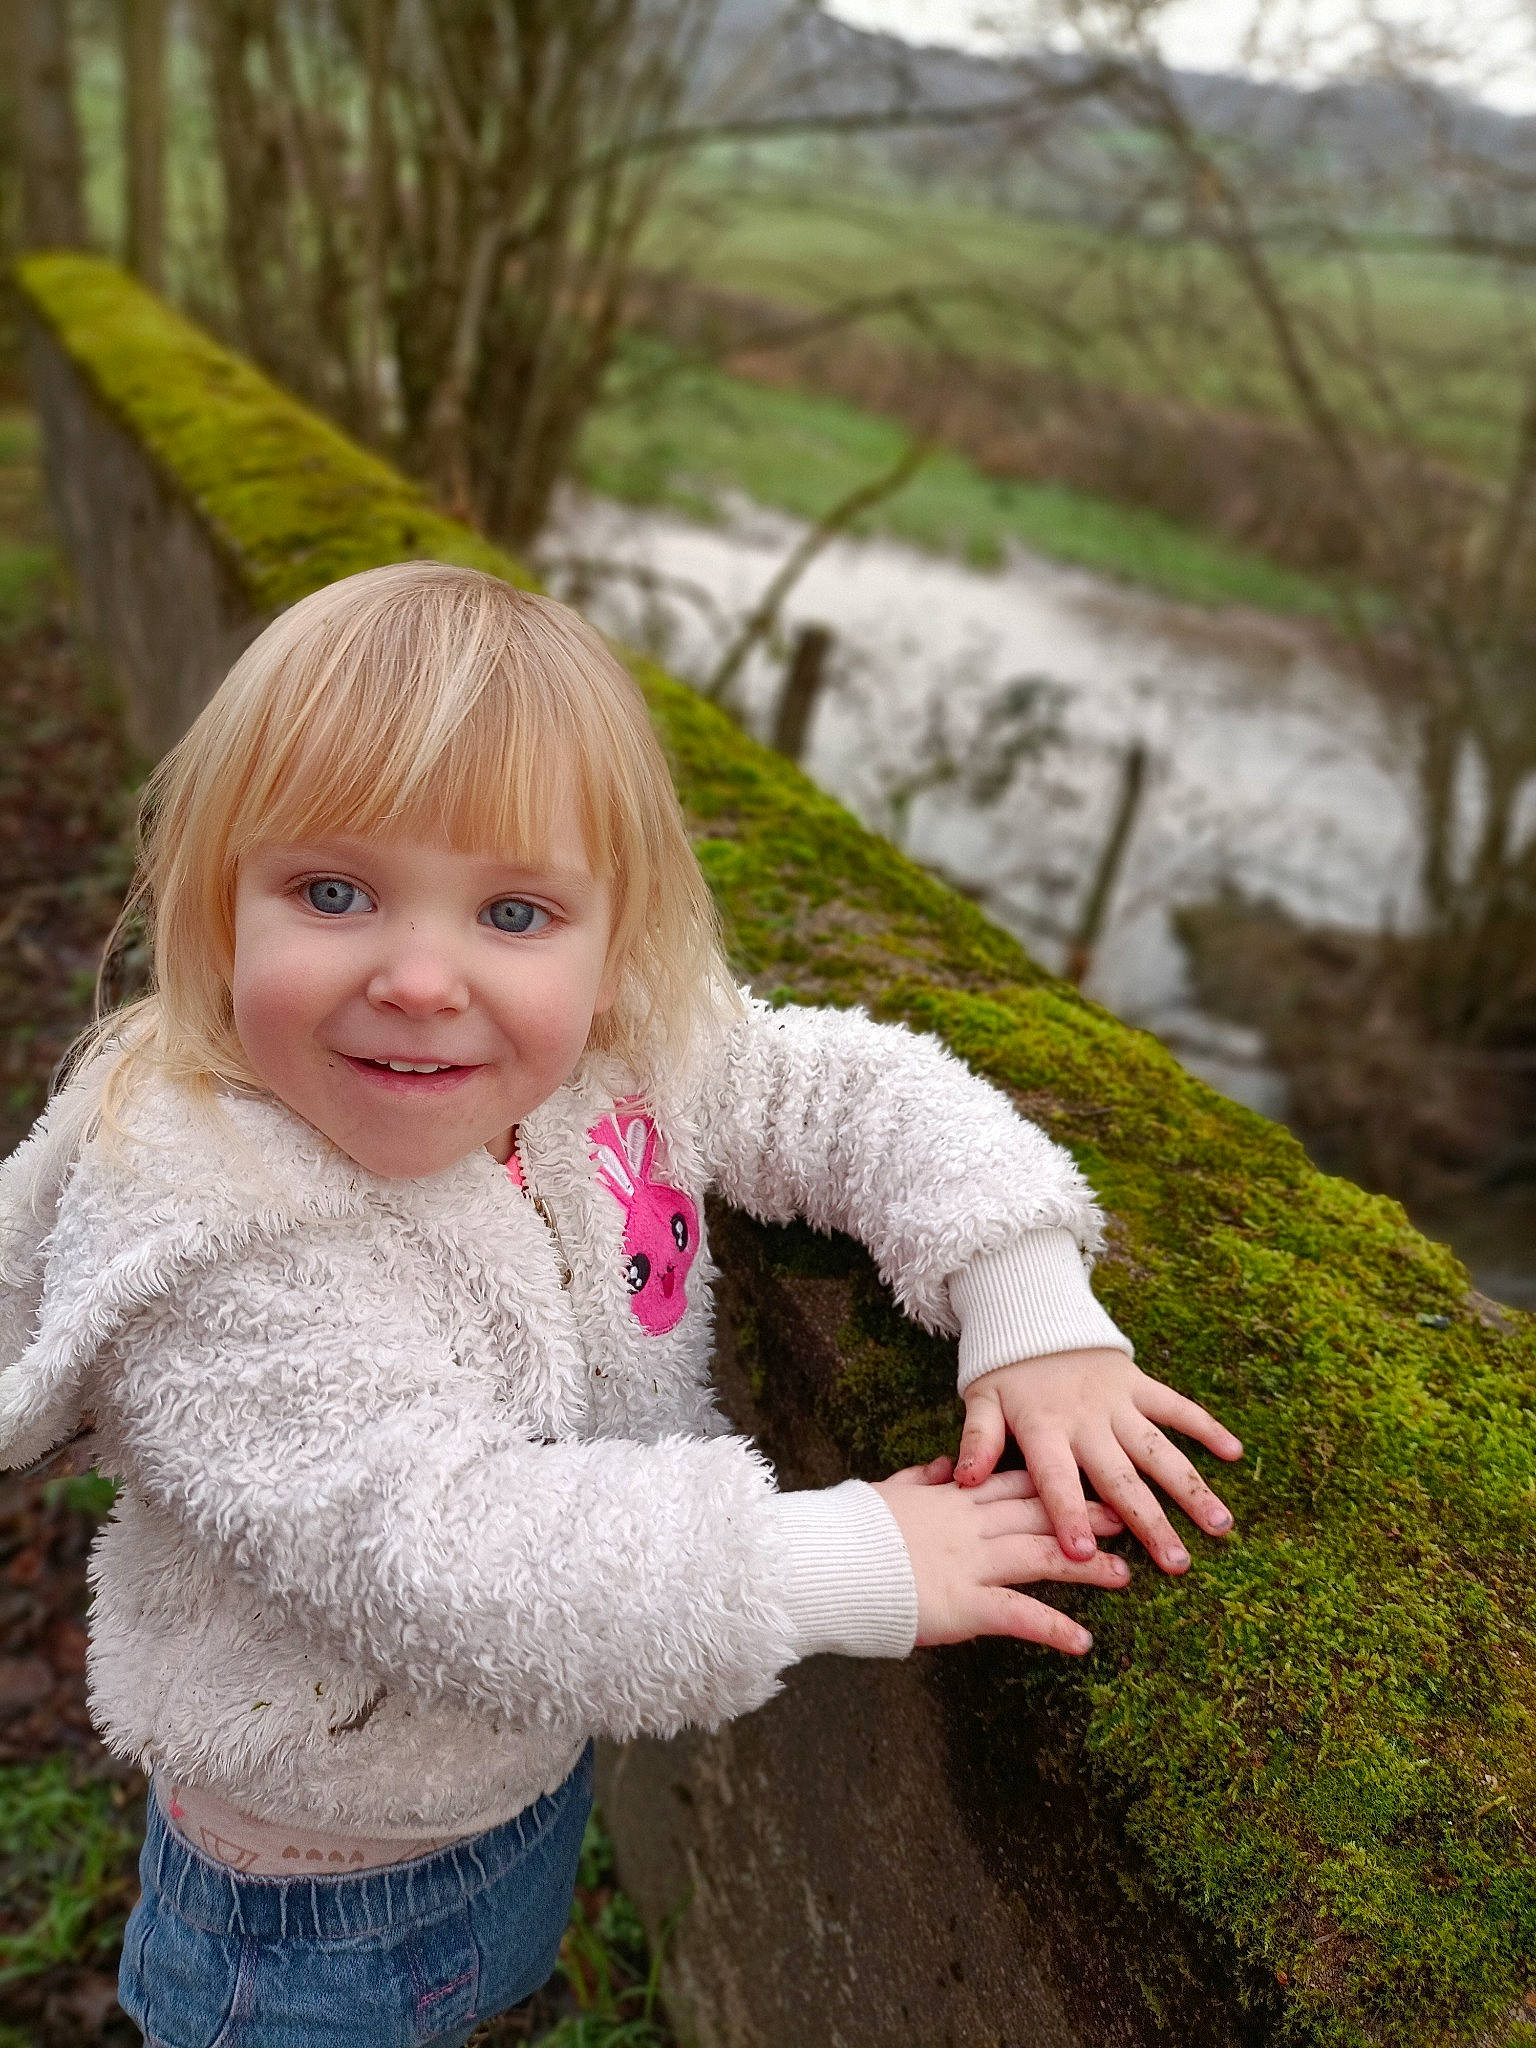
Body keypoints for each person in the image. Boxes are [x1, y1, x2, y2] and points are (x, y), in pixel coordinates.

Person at [0, 562, 1241, 2048]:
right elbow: (439, 1553)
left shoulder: (608, 1061)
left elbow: (853, 1087)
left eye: (514, 910)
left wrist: (1024, 1298)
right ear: (216, 903)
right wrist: (843, 1558)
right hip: (303, 1904)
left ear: (614, 936)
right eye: (334, 893)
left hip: (506, 1784)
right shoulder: (214, 1233)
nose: (417, 976)